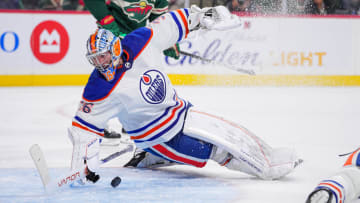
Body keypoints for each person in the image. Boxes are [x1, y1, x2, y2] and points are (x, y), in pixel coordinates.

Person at [68, 5, 302, 184]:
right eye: (95, 59)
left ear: (115, 49)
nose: (100, 63)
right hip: (158, 136)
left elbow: (169, 24)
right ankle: (268, 168)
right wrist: (83, 166)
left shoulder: (139, 42)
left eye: (103, 56)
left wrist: (203, 17)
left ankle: (270, 154)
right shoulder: (98, 88)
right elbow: (83, 130)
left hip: (181, 111)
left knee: (227, 130)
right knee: (216, 150)